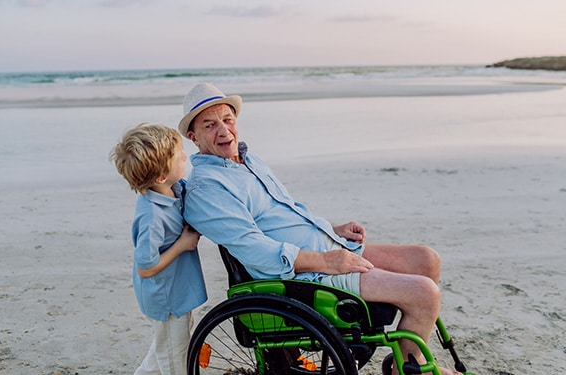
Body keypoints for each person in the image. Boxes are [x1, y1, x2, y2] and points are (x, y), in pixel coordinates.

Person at [179, 83, 460, 375]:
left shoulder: (248, 161)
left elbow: (286, 213)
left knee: (426, 260)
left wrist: (332, 229)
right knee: (424, 293)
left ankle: (407, 361)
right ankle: (418, 372)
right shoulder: (206, 189)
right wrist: (327, 261)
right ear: (194, 137)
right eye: (210, 125)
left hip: (327, 249)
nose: (224, 131)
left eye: (228, 120)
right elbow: (255, 250)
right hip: (303, 276)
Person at [110, 123, 207, 375]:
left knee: (164, 349)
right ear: (161, 176)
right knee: (176, 358)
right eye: (178, 155)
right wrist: (182, 245)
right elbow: (145, 267)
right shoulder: (152, 215)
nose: (185, 156)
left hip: (178, 289)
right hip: (167, 297)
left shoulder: (174, 189)